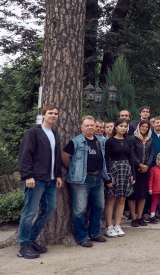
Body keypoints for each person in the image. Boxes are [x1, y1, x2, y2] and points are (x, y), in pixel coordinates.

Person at [17, 105, 63, 259]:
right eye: (50, 113)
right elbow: (25, 155)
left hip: (50, 180)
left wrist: (57, 175)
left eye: (56, 113)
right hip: (35, 180)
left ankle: (31, 240)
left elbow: (56, 157)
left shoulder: (54, 134)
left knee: (49, 208)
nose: (53, 116)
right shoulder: (33, 133)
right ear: (43, 115)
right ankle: (23, 246)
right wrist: (27, 176)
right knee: (29, 212)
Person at [62, 116, 110, 247]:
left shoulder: (100, 141)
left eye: (92, 125)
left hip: (98, 178)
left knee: (99, 206)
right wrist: (74, 169)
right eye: (87, 125)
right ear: (81, 127)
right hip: (81, 180)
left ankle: (94, 233)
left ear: (95, 127)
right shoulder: (75, 142)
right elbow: (65, 156)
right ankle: (82, 236)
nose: (90, 127)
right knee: (80, 210)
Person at [103, 118, 135, 236]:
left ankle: (117, 225)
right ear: (115, 127)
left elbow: (131, 158)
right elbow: (106, 159)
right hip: (114, 170)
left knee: (122, 199)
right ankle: (109, 226)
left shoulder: (128, 141)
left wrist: (133, 174)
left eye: (125, 126)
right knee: (111, 199)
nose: (123, 128)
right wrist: (108, 177)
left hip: (126, 169)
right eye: (121, 126)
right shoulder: (110, 142)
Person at [129, 119, 153, 227]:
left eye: (146, 127)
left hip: (145, 170)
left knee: (143, 194)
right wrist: (139, 164)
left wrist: (146, 165)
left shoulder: (150, 140)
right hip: (135, 169)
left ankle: (140, 216)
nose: (144, 128)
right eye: (142, 126)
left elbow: (151, 153)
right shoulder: (133, 139)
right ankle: (134, 218)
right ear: (139, 127)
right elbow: (131, 153)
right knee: (133, 194)